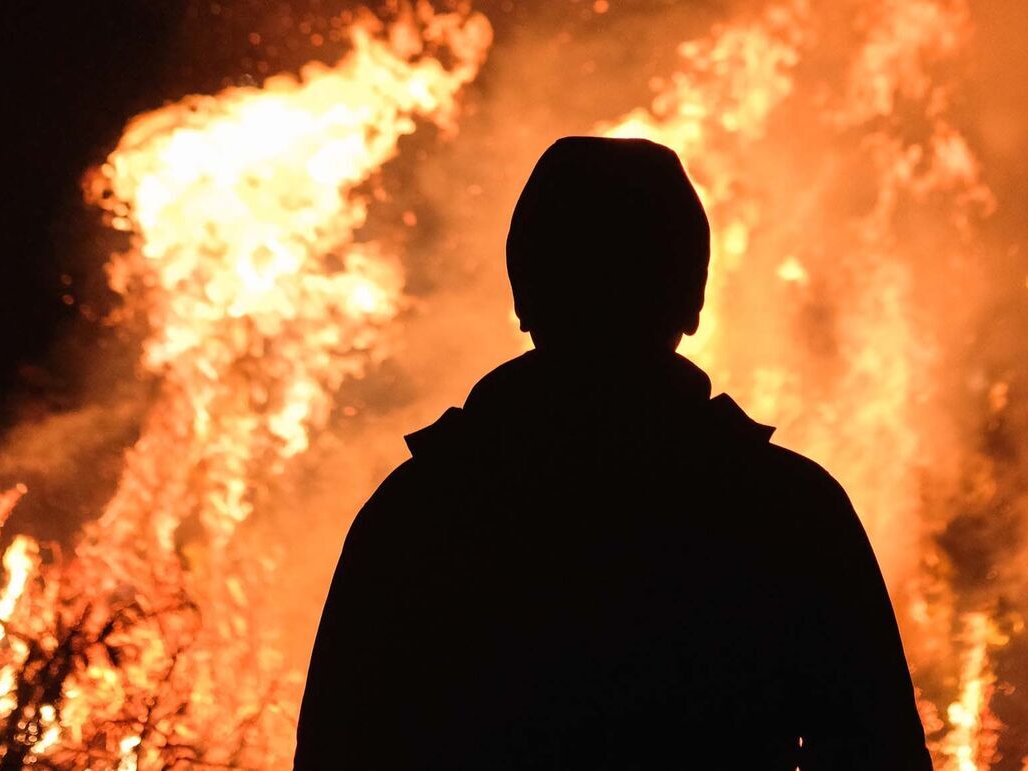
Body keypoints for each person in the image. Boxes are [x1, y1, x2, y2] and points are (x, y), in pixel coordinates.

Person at [295, 137, 933, 769]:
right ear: (692, 300)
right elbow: (879, 753)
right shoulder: (790, 510)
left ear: (524, 295)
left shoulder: (420, 511)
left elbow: (336, 752)